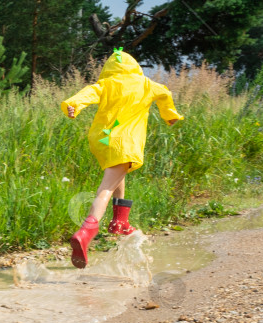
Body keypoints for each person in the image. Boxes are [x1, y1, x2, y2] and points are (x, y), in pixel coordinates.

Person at [60, 48, 183, 269]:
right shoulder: (146, 84)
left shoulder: (106, 84)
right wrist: (169, 115)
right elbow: (164, 92)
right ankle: (87, 230)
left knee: (118, 175)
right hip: (126, 142)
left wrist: (73, 106)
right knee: (106, 188)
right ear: (134, 66)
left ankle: (120, 221)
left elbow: (87, 94)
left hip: (104, 140)